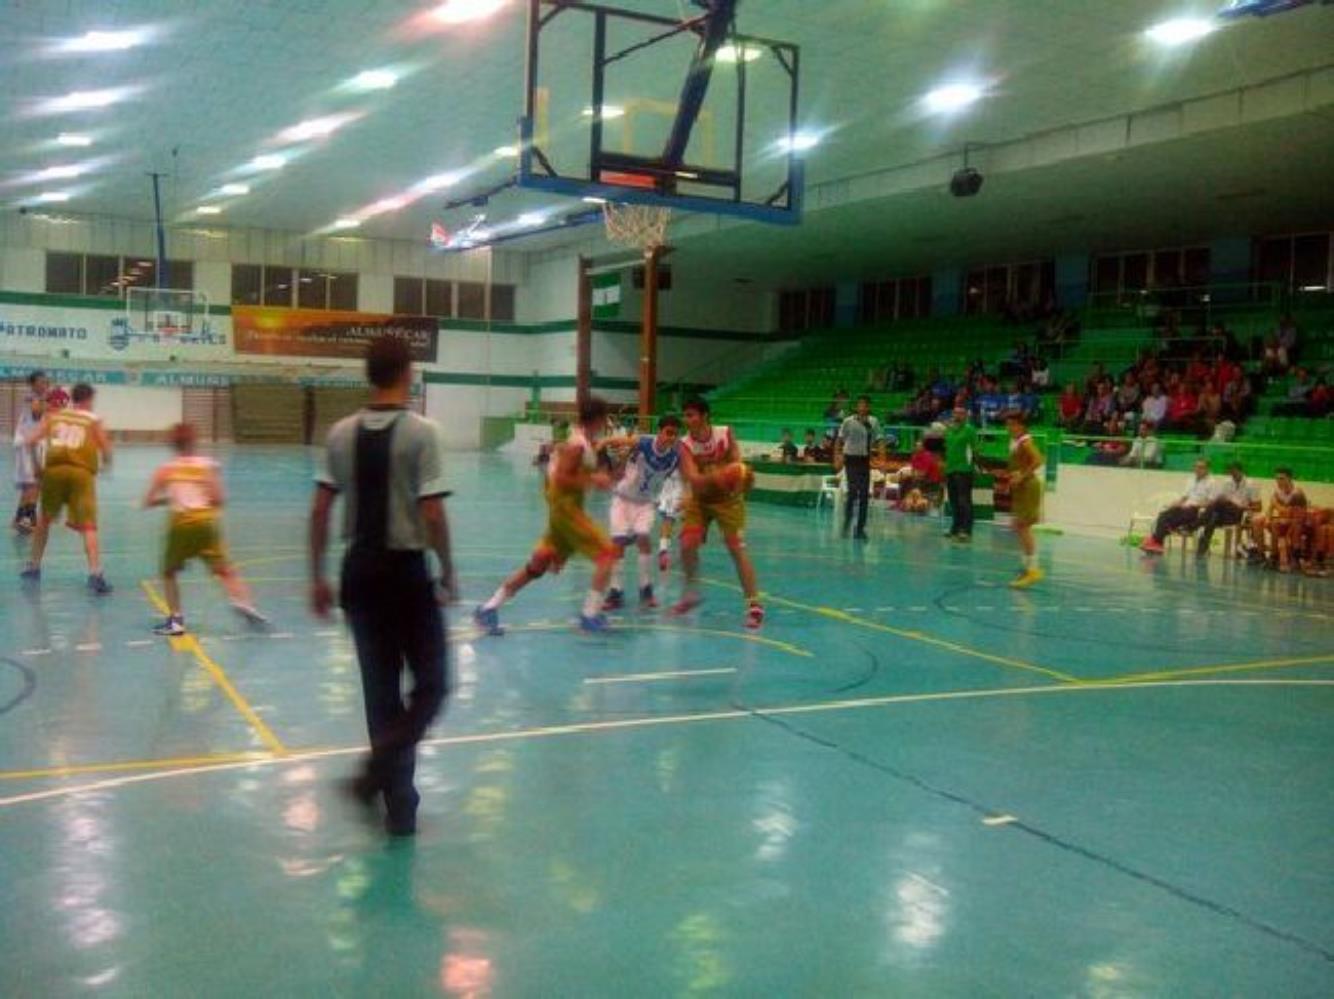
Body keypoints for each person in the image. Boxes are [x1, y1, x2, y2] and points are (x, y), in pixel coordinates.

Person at [309, 337, 455, 837]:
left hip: (358, 572)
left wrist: (316, 576)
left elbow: (321, 508)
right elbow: (433, 511)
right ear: (407, 372)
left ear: (368, 374)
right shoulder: (422, 432)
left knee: (381, 692)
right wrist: (449, 569)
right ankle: (378, 777)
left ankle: (399, 805)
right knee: (433, 685)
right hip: (405, 572)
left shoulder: (340, 433)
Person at [475, 397, 618, 635]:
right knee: (607, 555)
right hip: (567, 512)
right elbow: (561, 478)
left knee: (538, 565)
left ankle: (489, 608)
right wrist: (594, 480)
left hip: (561, 513)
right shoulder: (577, 445)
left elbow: (552, 479)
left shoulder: (580, 440)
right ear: (600, 418)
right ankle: (590, 614)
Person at [143, 423, 268, 635]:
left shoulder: (166, 470)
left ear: (173, 445)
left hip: (181, 525)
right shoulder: (206, 466)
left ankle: (176, 620)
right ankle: (244, 603)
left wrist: (169, 499)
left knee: (169, 572)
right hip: (206, 523)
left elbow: (149, 501)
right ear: (194, 443)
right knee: (226, 570)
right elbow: (219, 499)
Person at [673, 396, 763, 629]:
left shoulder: (725, 433)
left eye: (691, 415)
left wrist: (739, 478)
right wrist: (720, 475)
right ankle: (691, 591)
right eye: (685, 415)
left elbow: (738, 465)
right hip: (700, 500)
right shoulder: (684, 444)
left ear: (704, 416)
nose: (687, 420)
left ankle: (754, 604)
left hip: (727, 501)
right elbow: (693, 479)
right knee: (686, 543)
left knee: (735, 547)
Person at [20, 382, 112, 593]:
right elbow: (106, 449)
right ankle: (95, 574)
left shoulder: (56, 416)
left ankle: (33, 566)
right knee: (88, 526)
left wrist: (37, 467)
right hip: (81, 474)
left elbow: (30, 441)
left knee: (44, 520)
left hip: (54, 472)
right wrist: (105, 465)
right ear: (88, 400)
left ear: (72, 399)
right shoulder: (93, 419)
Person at [600, 414, 682, 611]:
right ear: (660, 432)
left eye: (675, 435)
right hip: (623, 500)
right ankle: (615, 592)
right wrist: (603, 442)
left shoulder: (674, 458)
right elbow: (618, 441)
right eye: (668, 433)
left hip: (645, 504)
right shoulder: (644, 443)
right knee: (617, 544)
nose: (671, 438)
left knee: (644, 540)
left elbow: (680, 478)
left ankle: (646, 591)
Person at [1005, 412, 1044, 588]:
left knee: (1023, 526)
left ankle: (1033, 570)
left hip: (1028, 486)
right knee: (1018, 526)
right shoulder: (1016, 442)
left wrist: (1021, 476)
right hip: (1022, 487)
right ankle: (1027, 566)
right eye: (1008, 424)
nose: (1009, 428)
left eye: (1013, 424)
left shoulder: (1025, 441)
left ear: (1022, 426)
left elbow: (1038, 460)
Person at [1140, 459, 1213, 554]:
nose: (1197, 469)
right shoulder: (1191, 480)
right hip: (1184, 508)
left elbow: (1211, 503)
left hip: (1195, 510)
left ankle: (1156, 541)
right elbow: (1184, 497)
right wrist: (1173, 504)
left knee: (1168, 520)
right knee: (1163, 514)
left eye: (1201, 467)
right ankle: (1157, 543)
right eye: (1196, 467)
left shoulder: (1211, 483)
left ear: (1207, 469)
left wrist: (1195, 505)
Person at [835, 395, 880, 540]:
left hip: (864, 460)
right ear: (856, 406)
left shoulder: (873, 422)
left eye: (865, 405)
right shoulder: (848, 421)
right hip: (850, 459)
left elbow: (880, 440)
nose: (862, 407)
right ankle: (847, 522)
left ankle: (860, 529)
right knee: (853, 492)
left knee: (864, 495)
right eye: (860, 404)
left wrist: (881, 460)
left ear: (868, 407)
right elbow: (840, 440)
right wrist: (837, 457)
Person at [1249, 468, 1306, 572]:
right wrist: (1267, 518)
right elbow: (1270, 509)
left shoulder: (1297, 492)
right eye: (1277, 479)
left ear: (1290, 479)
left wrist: (1275, 503)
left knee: (1275, 523)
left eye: (1282, 478)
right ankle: (1261, 554)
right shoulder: (1278, 491)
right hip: (1282, 519)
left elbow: (1286, 511)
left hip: (1295, 522)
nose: (1279, 481)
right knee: (1256, 520)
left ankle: (1273, 557)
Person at [12, 371, 49, 534]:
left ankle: (18, 518)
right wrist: (51, 402)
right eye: (40, 382)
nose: (44, 384)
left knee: (31, 484)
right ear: (32, 384)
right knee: (34, 483)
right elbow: (37, 412)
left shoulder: (37, 397)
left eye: (45, 382)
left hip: (31, 444)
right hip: (30, 445)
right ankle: (28, 518)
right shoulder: (34, 398)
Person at [1195, 461, 1257, 557]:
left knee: (1217, 506)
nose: (1232, 475)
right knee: (1213, 517)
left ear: (1241, 471)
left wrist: (1242, 506)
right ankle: (1202, 547)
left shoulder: (1250, 484)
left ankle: (1197, 523)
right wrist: (1223, 500)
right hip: (1223, 514)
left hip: (1238, 513)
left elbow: (1258, 507)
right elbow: (1219, 499)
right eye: (1231, 472)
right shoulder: (1227, 482)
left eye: (1234, 472)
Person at [944, 405, 979, 541]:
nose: (957, 416)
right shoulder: (950, 430)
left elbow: (975, 450)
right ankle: (955, 528)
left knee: (964, 500)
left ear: (966, 415)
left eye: (960, 413)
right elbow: (947, 449)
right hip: (950, 469)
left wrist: (975, 466)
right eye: (955, 413)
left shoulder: (970, 430)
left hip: (964, 470)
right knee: (953, 501)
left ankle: (966, 530)